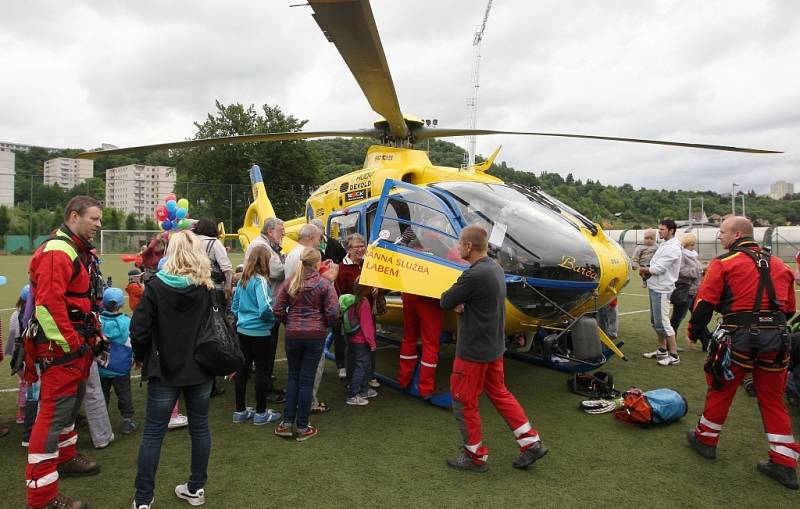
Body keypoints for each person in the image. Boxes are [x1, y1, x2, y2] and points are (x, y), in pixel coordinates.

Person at [686, 216, 799, 489]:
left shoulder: (723, 264)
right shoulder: (781, 265)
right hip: (778, 341)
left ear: (736, 235)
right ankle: (785, 463)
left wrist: (693, 332)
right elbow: (789, 310)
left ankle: (706, 439)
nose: (718, 237)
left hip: (739, 340)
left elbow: (703, 306)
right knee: (772, 398)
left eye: (722, 232)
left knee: (720, 388)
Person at [440, 225, 547, 472]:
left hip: (473, 351)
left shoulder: (474, 274)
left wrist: (458, 303)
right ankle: (531, 442)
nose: (457, 248)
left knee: (463, 401)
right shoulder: (495, 268)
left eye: (459, 244)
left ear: (468, 246)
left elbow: (446, 300)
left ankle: (474, 456)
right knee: (500, 394)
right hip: (493, 348)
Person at [25, 196, 104, 509]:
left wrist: (90, 336)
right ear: (75, 216)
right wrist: (71, 343)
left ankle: (66, 457)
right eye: (94, 218)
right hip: (61, 349)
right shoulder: (59, 251)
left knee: (69, 408)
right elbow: (48, 306)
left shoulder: (75, 250)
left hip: (75, 345)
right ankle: (41, 497)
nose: (99, 225)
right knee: (52, 414)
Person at [130, 230, 216, 509]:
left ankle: (144, 498)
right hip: (199, 369)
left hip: (167, 370)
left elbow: (138, 330)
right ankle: (194, 488)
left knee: (154, 433)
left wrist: (142, 356)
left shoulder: (157, 286)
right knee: (200, 428)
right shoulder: (205, 288)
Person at [272, 247, 339, 441]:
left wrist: (288, 321)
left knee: (293, 377)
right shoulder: (324, 284)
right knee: (306, 380)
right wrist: (324, 324)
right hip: (315, 335)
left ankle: (286, 424)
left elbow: (276, 309)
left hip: (293, 334)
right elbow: (334, 312)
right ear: (318, 263)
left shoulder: (290, 282)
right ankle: (302, 426)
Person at [231, 245, 282, 425]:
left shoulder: (242, 280)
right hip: (260, 333)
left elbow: (234, 306)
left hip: (242, 332)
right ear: (264, 261)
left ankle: (240, 411)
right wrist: (271, 321)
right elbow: (265, 308)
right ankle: (261, 413)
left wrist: (242, 319)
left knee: (242, 371)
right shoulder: (260, 281)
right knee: (262, 372)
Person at [244, 217, 287, 403]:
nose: (283, 233)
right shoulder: (262, 247)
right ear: (270, 231)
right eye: (280, 230)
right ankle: (265, 392)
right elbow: (279, 271)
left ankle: (266, 385)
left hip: (252, 317)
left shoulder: (264, 245)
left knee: (262, 356)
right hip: (264, 314)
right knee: (265, 355)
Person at [336, 233, 380, 388]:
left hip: (368, 313)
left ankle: (369, 376)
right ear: (349, 249)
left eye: (363, 246)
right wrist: (360, 294)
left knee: (370, 343)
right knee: (354, 347)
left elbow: (381, 282)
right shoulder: (342, 268)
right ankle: (352, 379)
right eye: (357, 246)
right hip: (353, 315)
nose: (361, 249)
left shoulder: (369, 263)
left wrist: (377, 287)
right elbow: (341, 293)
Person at [640, 219, 682, 366]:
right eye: (659, 229)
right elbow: (655, 265)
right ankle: (662, 350)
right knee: (656, 321)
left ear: (671, 230)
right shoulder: (665, 244)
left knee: (663, 323)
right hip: (655, 286)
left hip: (662, 289)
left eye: (662, 229)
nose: (659, 232)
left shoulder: (673, 248)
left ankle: (674, 355)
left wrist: (645, 269)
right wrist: (648, 270)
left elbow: (658, 268)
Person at [97, 287, 137, 436]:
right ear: (121, 304)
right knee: (124, 393)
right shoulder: (127, 321)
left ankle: (102, 422)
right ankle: (127, 420)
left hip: (101, 366)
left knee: (102, 395)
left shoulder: (98, 321)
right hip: (121, 366)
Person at [345, 281, 378, 406]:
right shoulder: (364, 303)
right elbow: (367, 325)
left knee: (362, 365)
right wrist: (372, 342)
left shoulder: (352, 300)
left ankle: (363, 390)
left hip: (354, 338)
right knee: (361, 366)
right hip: (362, 340)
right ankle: (352, 395)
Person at [670, 234, 703, 349]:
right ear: (686, 244)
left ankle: (706, 342)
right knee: (677, 318)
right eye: (691, 245)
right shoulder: (682, 255)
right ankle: (670, 343)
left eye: (694, 244)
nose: (693, 247)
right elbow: (681, 271)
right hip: (686, 290)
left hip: (694, 290)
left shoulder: (692, 255)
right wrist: (698, 270)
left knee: (697, 316)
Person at [6, 285, 30, 426]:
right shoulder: (33, 314)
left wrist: (11, 353)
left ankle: (22, 413)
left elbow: (11, 335)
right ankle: (27, 412)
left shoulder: (14, 315)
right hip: (27, 355)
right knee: (31, 383)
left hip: (18, 356)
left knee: (23, 383)